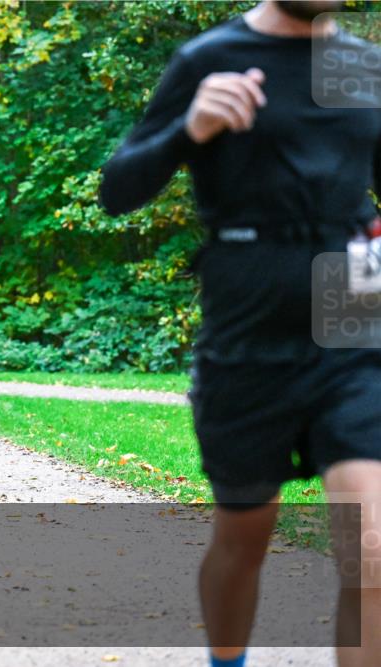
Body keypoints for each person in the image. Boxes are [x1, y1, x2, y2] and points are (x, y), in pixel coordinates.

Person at [99, 3, 380, 666]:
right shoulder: (210, 59)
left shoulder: (363, 66)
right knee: (242, 538)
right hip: (247, 323)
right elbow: (117, 190)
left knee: (369, 546)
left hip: (352, 316)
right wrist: (189, 130)